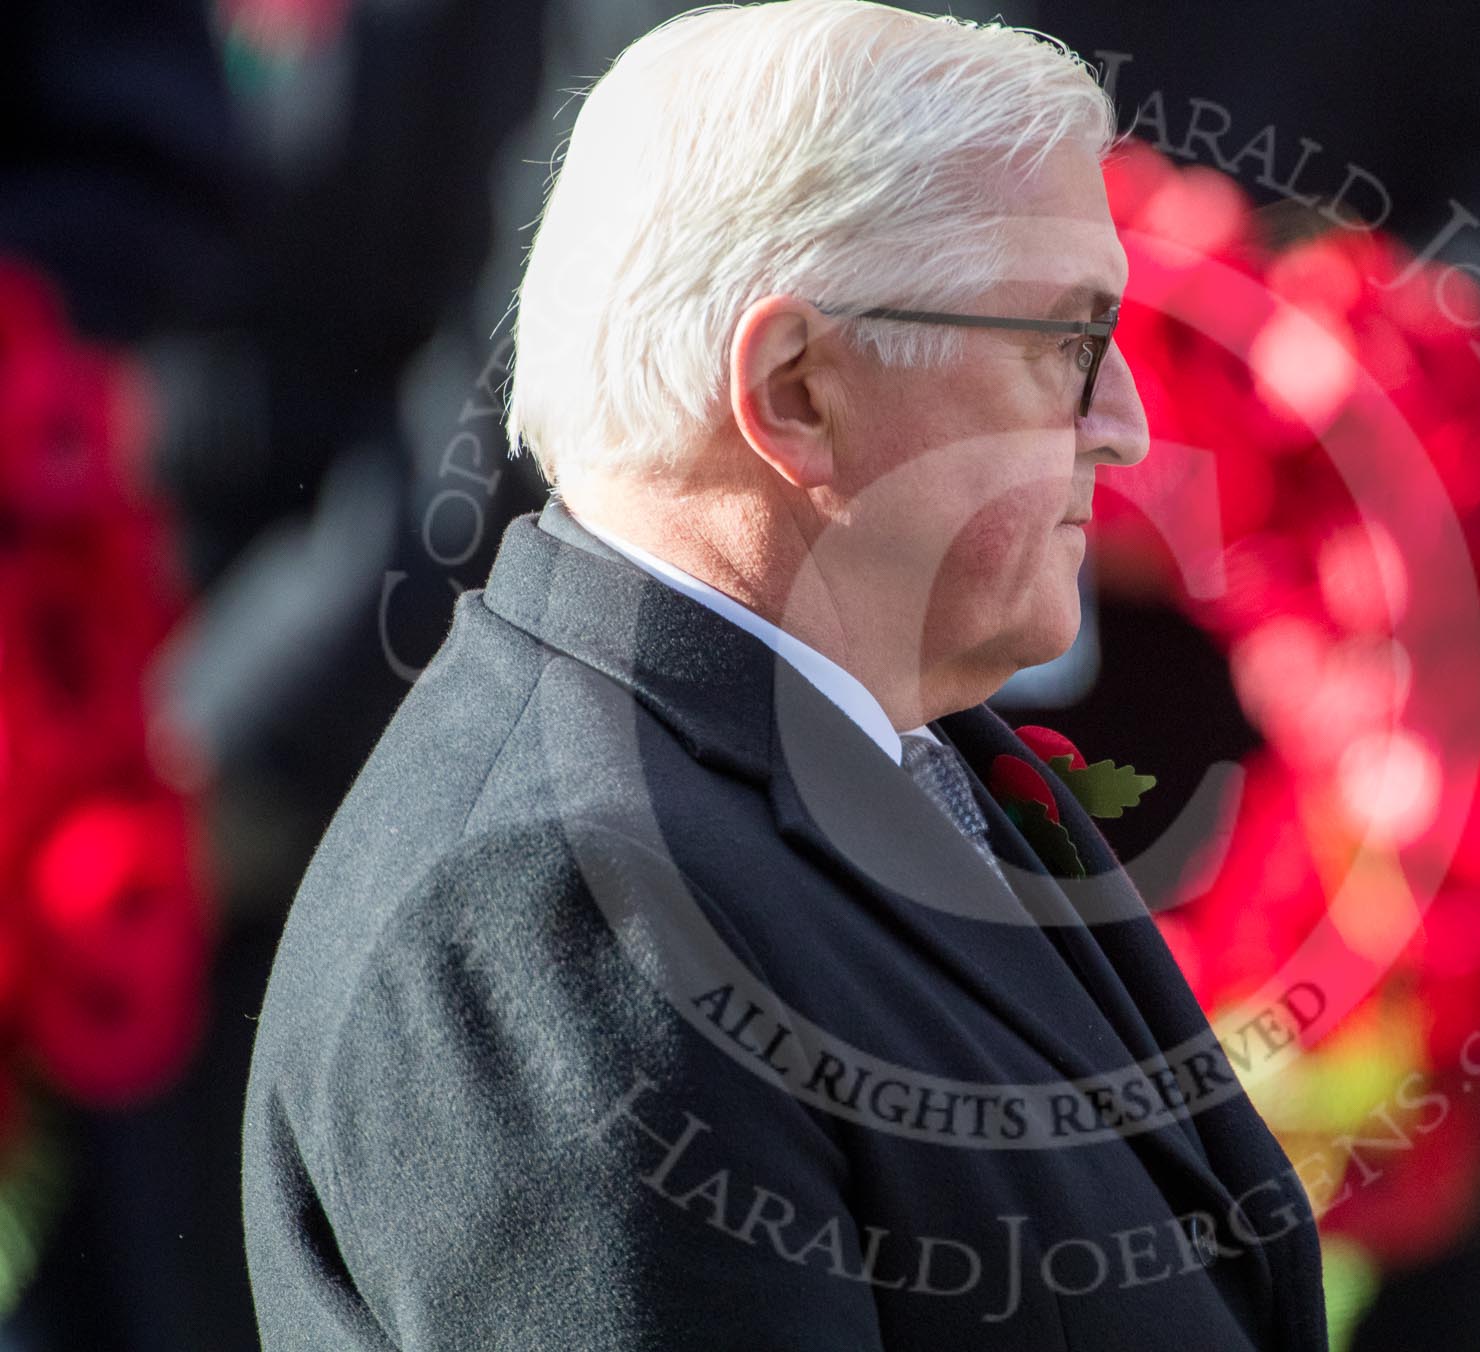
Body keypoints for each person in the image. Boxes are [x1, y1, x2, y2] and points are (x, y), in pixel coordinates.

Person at [240, 2, 1327, 1347]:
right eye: (1067, 341)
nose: (1126, 423)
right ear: (798, 389)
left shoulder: (878, 753)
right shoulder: (569, 917)